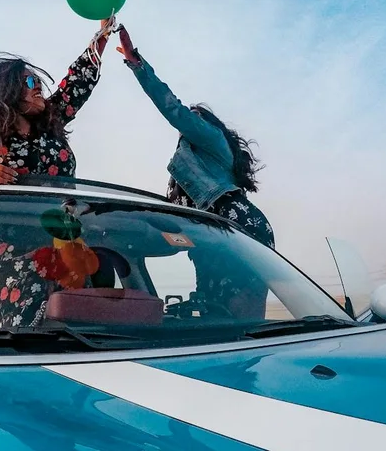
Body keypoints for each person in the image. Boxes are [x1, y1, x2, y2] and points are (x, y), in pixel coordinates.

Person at [115, 24, 274, 318]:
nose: (190, 123)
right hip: (210, 234)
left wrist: (137, 64)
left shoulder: (212, 139)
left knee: (241, 314)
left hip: (237, 224)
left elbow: (172, 108)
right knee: (216, 311)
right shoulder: (185, 169)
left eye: (196, 118)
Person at [0, 20, 112, 192]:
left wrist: (103, 34)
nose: (38, 85)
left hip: (61, 223)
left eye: (37, 80)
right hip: (14, 224)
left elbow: (78, 79)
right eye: (30, 81)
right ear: (8, 90)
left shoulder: (50, 119)